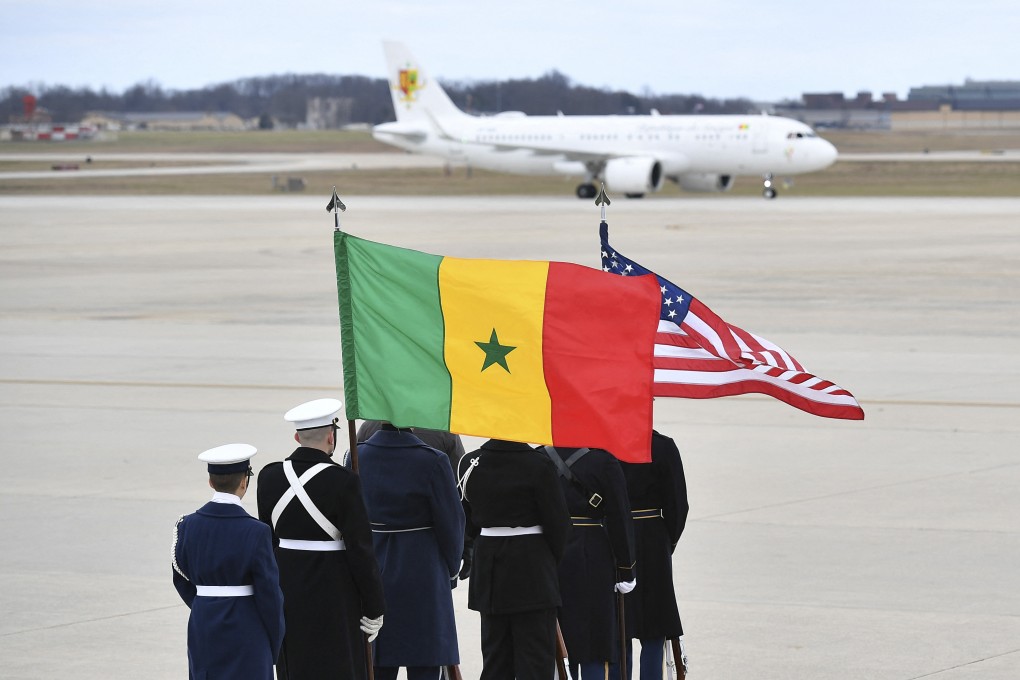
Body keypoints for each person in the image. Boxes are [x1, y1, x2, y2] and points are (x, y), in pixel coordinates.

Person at [256, 398, 385, 680]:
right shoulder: (345, 480)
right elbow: (360, 549)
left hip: (286, 585)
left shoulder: (269, 476)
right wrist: (375, 606)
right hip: (334, 589)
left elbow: (267, 539)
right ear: (331, 436)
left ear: (296, 437)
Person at [358, 422, 466, 680]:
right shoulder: (432, 460)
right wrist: (450, 569)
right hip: (423, 568)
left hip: (373, 564)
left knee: (377, 663)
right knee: (426, 663)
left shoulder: (357, 454)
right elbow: (452, 521)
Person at [459, 438, 571, 680]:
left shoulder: (470, 463)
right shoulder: (540, 464)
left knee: (496, 660)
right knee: (535, 662)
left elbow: (466, 523)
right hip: (533, 568)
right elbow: (559, 525)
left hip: (490, 569)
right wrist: (548, 563)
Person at [171, 443, 285, 680]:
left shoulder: (187, 525)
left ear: (211, 482)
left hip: (203, 623)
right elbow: (269, 594)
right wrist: (273, 644)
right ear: (245, 481)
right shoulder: (257, 531)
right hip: (248, 626)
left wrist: (206, 602)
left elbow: (180, 576)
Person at [542, 445, 636, 680]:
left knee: (559, 636)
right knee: (595, 638)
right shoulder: (603, 461)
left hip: (548, 550)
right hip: (593, 552)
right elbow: (619, 516)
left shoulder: (539, 457)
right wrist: (626, 568)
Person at [620, 430, 690, 680]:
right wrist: (666, 543)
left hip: (614, 536)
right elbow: (678, 505)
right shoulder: (663, 446)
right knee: (654, 626)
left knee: (620, 626)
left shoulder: (605, 443)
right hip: (652, 539)